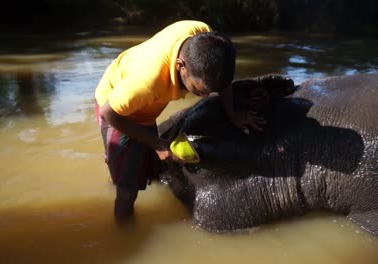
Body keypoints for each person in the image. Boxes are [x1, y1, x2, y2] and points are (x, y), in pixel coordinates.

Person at [94, 20, 264, 221]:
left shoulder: (205, 37)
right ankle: (123, 227)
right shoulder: (147, 82)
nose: (204, 97)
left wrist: (233, 114)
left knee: (148, 169)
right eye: (199, 90)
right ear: (180, 66)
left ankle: (119, 169)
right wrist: (158, 144)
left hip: (145, 104)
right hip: (119, 108)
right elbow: (109, 113)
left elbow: (222, 79)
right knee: (128, 189)